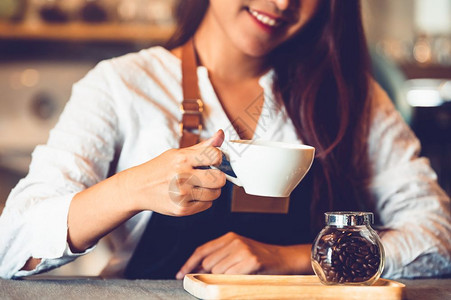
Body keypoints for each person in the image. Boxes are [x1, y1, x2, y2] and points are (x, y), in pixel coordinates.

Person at [1, 0, 450, 280]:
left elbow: (438, 236)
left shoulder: (353, 96)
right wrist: (131, 189)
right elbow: (12, 245)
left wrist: (297, 258)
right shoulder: (123, 86)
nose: (282, 2)